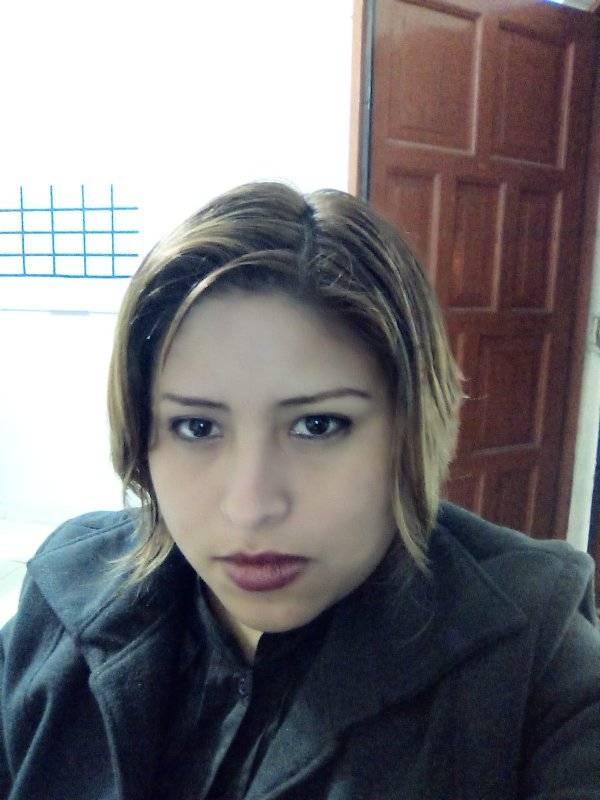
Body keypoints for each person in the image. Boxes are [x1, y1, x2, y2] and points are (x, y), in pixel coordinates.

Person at [1, 182, 598, 800]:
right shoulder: (68, 594)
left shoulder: (535, 658)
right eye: (197, 427)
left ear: (411, 425)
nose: (251, 507)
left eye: (318, 425)